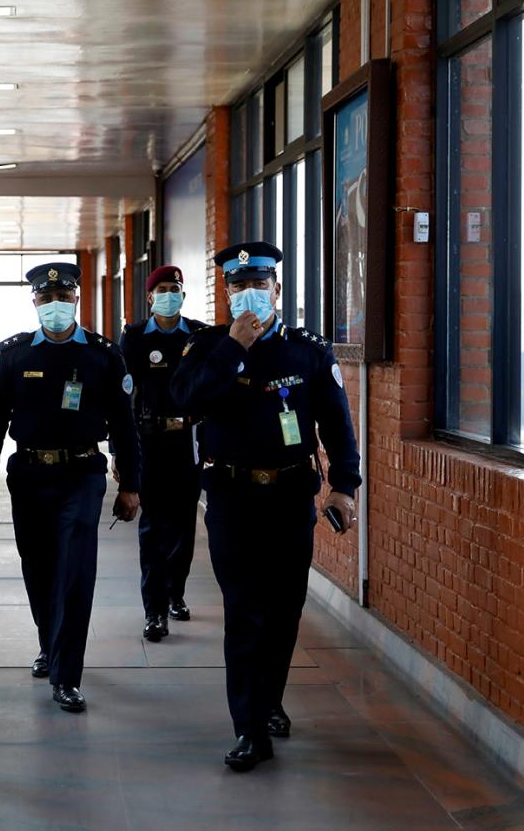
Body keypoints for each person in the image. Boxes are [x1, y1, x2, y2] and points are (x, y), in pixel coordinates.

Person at [171, 241, 360, 772]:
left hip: (289, 496)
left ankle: (269, 698)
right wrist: (233, 349)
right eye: (238, 286)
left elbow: (338, 426)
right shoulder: (207, 347)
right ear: (226, 294)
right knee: (244, 612)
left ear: (277, 290)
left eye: (259, 285)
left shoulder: (308, 351)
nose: (249, 295)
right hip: (231, 498)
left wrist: (344, 487)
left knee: (283, 610)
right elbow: (187, 400)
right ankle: (249, 728)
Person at [0, 261, 141, 713]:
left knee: (74, 572)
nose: (55, 304)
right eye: (45, 298)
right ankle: (49, 645)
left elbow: (125, 425)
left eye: (63, 297)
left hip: (82, 475)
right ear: (34, 301)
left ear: (76, 299)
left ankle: (67, 675)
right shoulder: (15, 354)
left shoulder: (102, 354)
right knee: (38, 569)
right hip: (29, 476)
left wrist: (131, 484)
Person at [118, 265, 206, 642]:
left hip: (187, 442)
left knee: (183, 525)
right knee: (152, 527)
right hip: (148, 440)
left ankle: (176, 593)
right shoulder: (135, 337)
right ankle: (154, 610)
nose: (169, 294)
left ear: (183, 295)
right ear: (150, 296)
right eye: (162, 289)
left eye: (176, 288)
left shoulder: (199, 335)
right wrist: (121, 456)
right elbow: (121, 396)